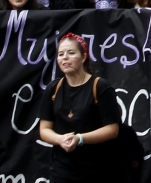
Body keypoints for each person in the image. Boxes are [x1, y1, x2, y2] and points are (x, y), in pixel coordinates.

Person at [39, 33, 121, 181]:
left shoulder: (100, 86)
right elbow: (44, 129)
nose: (65, 58)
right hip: (62, 168)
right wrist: (59, 139)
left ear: (83, 57)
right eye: (61, 54)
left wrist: (80, 139)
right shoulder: (53, 88)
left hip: (97, 169)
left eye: (71, 53)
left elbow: (112, 129)